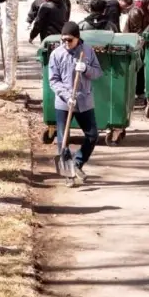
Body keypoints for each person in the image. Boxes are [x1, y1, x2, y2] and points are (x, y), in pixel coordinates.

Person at [49, 23, 103, 183]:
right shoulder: (56, 54)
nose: (66, 43)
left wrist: (86, 68)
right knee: (63, 139)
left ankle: (78, 163)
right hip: (64, 102)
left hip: (84, 100)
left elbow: (98, 72)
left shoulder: (87, 51)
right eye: (63, 40)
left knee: (92, 135)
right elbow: (53, 80)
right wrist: (66, 96)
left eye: (69, 40)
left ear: (77, 38)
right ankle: (68, 174)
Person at [126, 0, 149, 98]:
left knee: (142, 67)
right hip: (137, 42)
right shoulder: (137, 11)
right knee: (137, 67)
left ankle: (140, 90)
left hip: (145, 42)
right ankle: (136, 91)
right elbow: (137, 30)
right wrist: (145, 40)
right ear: (148, 3)